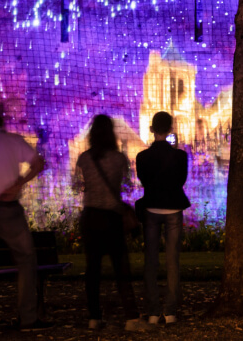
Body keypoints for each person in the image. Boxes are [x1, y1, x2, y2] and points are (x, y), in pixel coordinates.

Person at [0, 115, 51, 335]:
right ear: (1, 126)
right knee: (26, 259)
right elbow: (38, 163)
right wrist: (18, 184)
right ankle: (27, 318)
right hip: (7, 208)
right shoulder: (12, 141)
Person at [74, 114, 149, 331]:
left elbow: (77, 185)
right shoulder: (119, 159)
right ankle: (131, 317)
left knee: (93, 269)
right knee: (121, 269)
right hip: (111, 217)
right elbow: (126, 186)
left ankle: (94, 316)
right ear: (111, 133)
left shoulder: (84, 158)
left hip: (90, 217)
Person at [136, 111, 190, 325]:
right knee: (172, 262)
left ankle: (152, 311)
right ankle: (170, 311)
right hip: (173, 209)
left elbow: (143, 180)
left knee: (151, 262)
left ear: (152, 130)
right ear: (170, 129)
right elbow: (181, 181)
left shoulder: (142, 157)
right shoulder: (180, 156)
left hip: (151, 209)